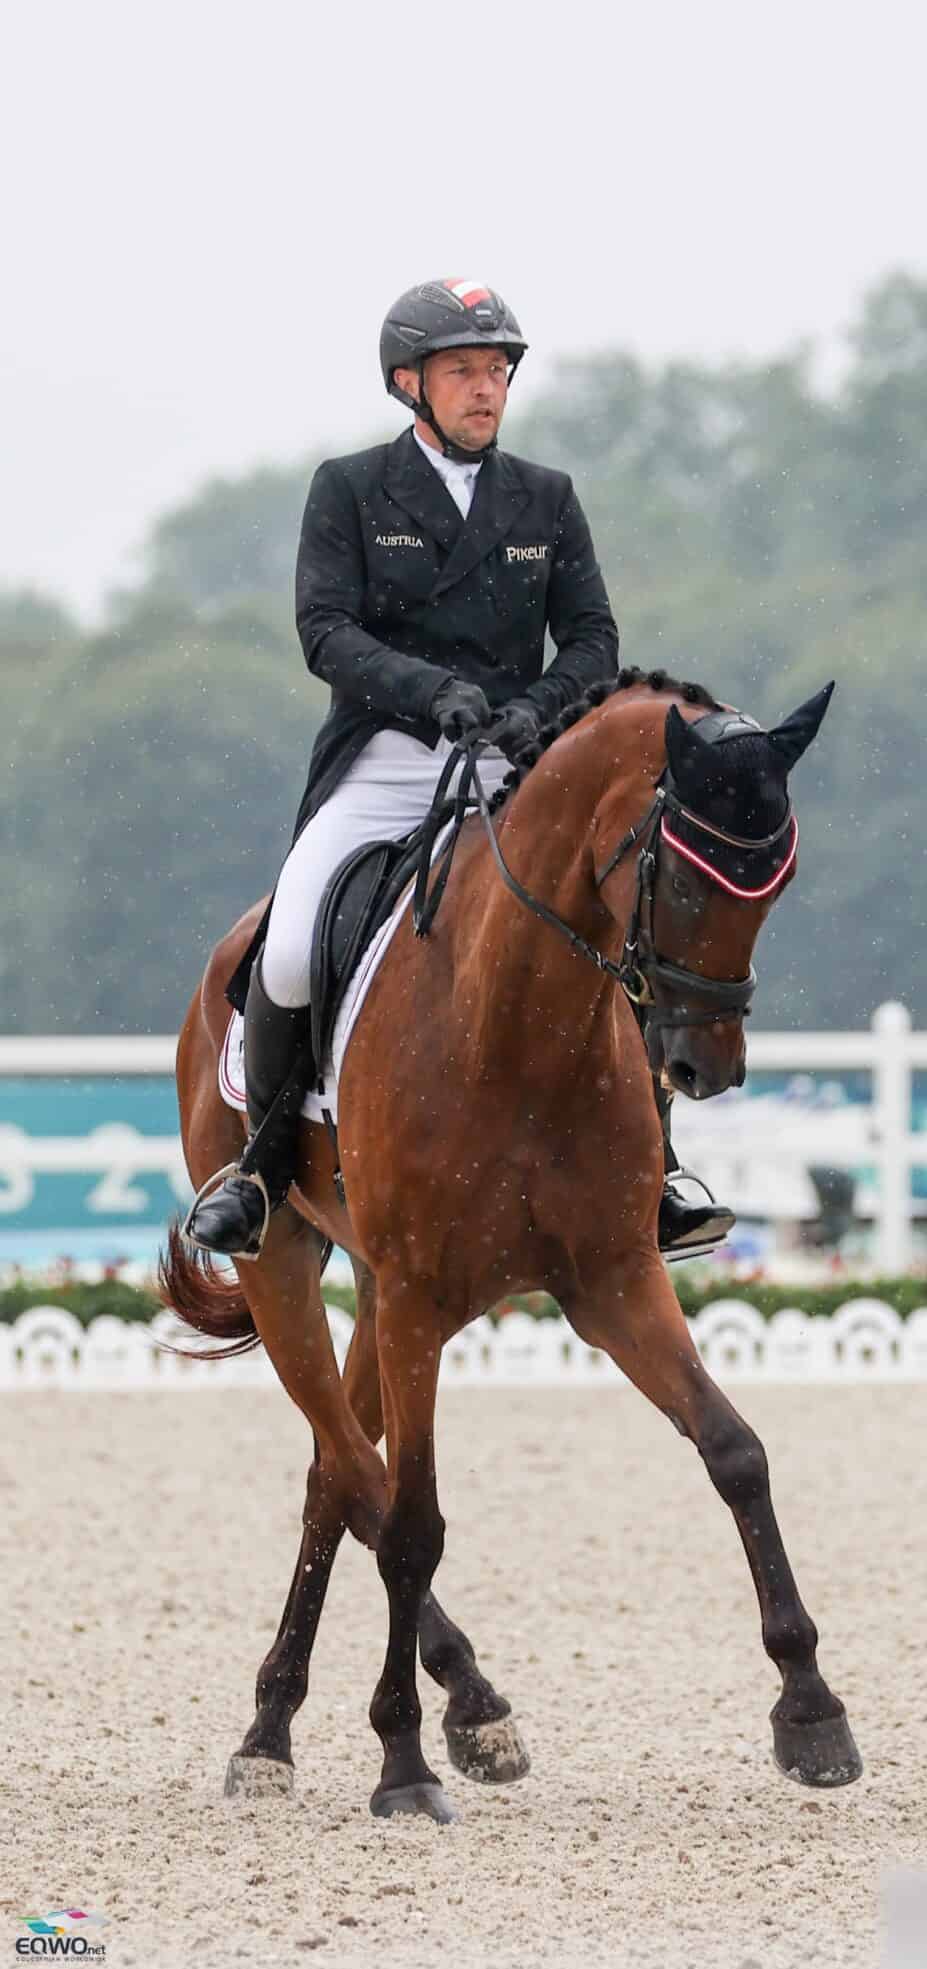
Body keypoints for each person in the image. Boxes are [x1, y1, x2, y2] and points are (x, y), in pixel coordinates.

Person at [184, 277, 733, 1261]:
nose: (485, 389)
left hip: (517, 764)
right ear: (408, 382)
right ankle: (265, 1167)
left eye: (496, 371)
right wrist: (426, 691)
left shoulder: (545, 499)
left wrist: (533, 708)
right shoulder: (350, 489)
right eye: (462, 372)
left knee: (616, 917)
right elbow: (324, 630)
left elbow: (592, 638)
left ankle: (656, 1167)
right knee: (295, 938)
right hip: (388, 752)